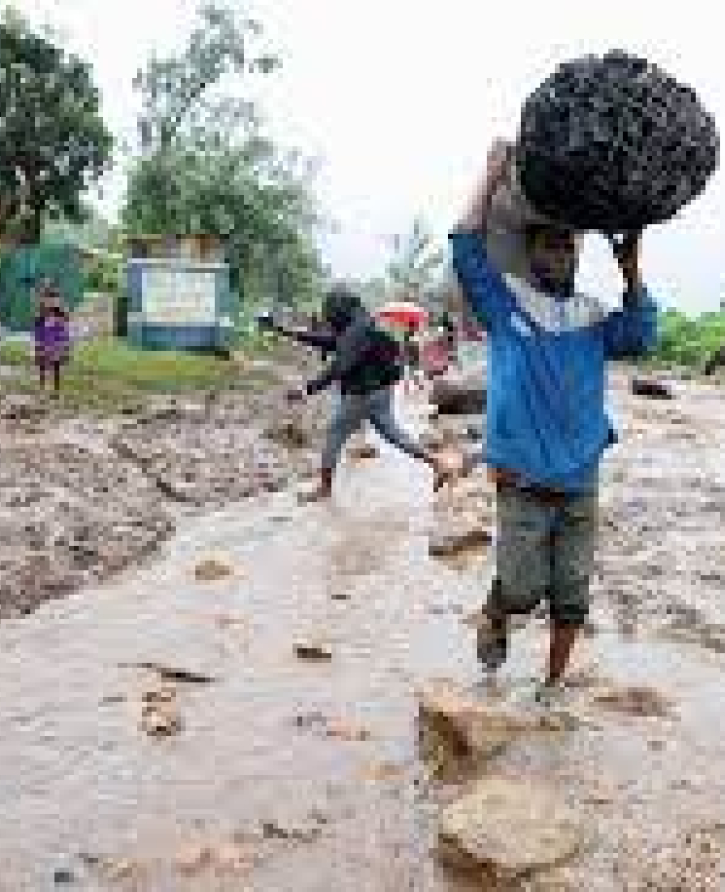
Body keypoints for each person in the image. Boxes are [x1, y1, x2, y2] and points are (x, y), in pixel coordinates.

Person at [450, 139, 658, 704]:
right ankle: (498, 608)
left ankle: (552, 693)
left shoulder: (592, 317)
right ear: (530, 252)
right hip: (520, 477)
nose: (559, 254)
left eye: (567, 245)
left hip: (580, 478)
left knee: (572, 597)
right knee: (521, 590)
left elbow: (642, 334)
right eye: (548, 244)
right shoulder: (507, 305)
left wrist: (631, 267)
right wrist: (490, 173)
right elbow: (466, 247)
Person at [262, 284, 454, 502]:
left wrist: (307, 389)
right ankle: (438, 464)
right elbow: (327, 341)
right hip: (381, 391)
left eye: (331, 310)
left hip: (363, 393)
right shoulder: (360, 325)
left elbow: (340, 366)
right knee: (394, 435)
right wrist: (283, 331)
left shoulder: (356, 331)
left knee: (335, 433)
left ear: (339, 308)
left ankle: (324, 489)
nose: (329, 315)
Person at [32, 284, 71, 392]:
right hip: (45, 340)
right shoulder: (41, 313)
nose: (50, 301)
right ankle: (42, 385)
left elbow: (65, 324)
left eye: (53, 299)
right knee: (42, 364)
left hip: (56, 341)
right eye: (48, 299)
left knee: (56, 365)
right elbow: (37, 326)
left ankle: (56, 388)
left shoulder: (60, 313)